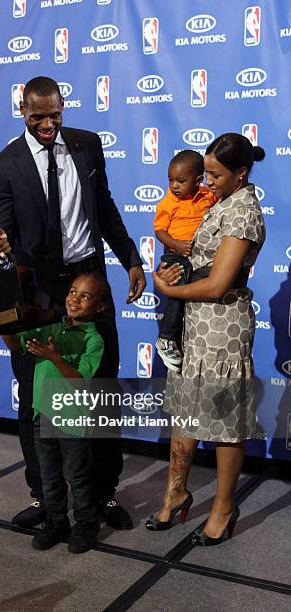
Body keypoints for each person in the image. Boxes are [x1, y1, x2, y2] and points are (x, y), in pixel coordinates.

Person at [0, 76, 146, 530]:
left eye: (55, 114)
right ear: (22, 110)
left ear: (63, 106)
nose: (48, 124)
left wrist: (130, 258)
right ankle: (45, 496)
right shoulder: (2, 167)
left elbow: (105, 205)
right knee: (35, 395)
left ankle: (102, 493)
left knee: (97, 388)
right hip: (39, 292)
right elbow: (3, 237)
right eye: (38, 116)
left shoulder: (88, 145)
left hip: (90, 280)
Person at [147, 133, 266, 545]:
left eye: (215, 174)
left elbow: (217, 285)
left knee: (223, 422)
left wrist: (169, 292)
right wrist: (169, 275)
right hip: (194, 326)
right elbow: (196, 263)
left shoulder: (244, 211)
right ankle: (175, 493)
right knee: (185, 410)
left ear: (241, 173)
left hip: (223, 329)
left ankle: (223, 508)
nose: (207, 182)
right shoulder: (221, 202)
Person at [0, 273, 107, 553]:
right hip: (42, 415)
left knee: (77, 475)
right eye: (73, 292)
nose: (75, 299)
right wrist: (3, 323)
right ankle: (57, 521)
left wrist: (55, 358)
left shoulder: (93, 340)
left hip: (72, 418)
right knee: (49, 475)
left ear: (100, 307)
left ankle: (86, 523)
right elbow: (15, 344)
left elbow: (80, 381)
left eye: (85, 296)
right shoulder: (51, 326)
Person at [154, 150, 216, 371]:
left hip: (198, 259)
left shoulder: (209, 196)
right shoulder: (167, 203)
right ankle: (166, 337)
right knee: (178, 291)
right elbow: (159, 231)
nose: (174, 186)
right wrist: (176, 244)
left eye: (180, 181)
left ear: (198, 180)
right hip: (175, 255)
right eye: (170, 180)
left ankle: (180, 338)